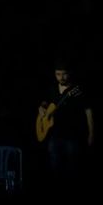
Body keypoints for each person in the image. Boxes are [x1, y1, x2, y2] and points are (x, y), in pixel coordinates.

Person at [37, 61, 94, 195]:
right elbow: (45, 102)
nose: (61, 77)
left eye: (64, 74)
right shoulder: (52, 88)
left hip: (72, 135)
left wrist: (91, 133)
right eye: (58, 74)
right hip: (54, 135)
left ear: (70, 74)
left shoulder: (77, 90)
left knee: (72, 168)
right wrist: (41, 107)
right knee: (54, 167)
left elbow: (88, 111)